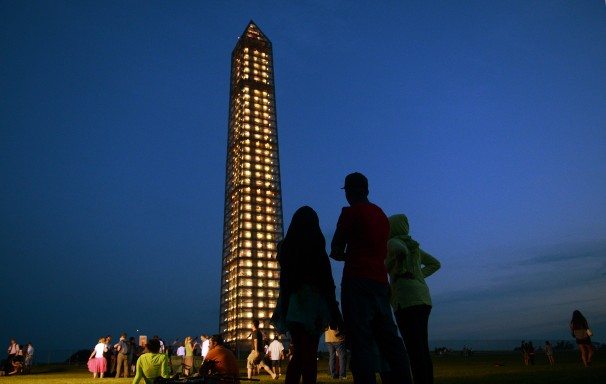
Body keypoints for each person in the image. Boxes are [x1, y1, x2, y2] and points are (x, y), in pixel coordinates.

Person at [330, 172, 412, 384]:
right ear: (367, 190)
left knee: (360, 342)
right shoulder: (382, 216)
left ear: (348, 192)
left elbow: (336, 249)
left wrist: (348, 255)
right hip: (380, 282)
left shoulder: (350, 213)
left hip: (356, 281)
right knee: (390, 340)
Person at [271, 206, 342, 384]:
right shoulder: (317, 250)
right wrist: (334, 310)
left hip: (294, 306)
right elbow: (328, 282)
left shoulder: (287, 250)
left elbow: (284, 283)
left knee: (299, 353)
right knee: (309, 353)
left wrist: (283, 308)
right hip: (313, 306)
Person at [386, 213, 440, 384]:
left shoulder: (392, 243)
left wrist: (399, 269)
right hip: (423, 299)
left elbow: (399, 251)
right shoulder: (414, 246)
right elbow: (435, 263)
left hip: (406, 300)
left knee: (413, 349)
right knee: (422, 348)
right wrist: (419, 277)